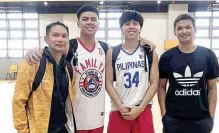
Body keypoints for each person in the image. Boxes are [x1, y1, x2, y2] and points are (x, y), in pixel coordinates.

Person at [25, 4, 156, 133]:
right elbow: (53, 48)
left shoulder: (105, 48)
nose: (89, 22)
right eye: (85, 19)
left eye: (93, 19)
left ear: (98, 23)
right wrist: (35, 50)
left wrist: (142, 40)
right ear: (78, 23)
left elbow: (127, 46)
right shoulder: (70, 46)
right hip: (75, 114)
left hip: (97, 116)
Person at [158, 14, 219, 133]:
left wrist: (211, 116)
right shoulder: (166, 57)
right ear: (175, 32)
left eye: (188, 27)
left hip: (201, 119)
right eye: (179, 28)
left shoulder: (208, 55)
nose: (184, 31)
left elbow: (212, 88)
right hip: (173, 119)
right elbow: (161, 87)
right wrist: (164, 114)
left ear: (195, 30)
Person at [12, 21, 76, 133]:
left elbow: (69, 102)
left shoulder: (69, 68)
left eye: (64, 36)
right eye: (55, 35)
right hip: (39, 129)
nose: (60, 39)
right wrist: (23, 130)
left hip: (63, 128)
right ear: (46, 39)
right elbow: (18, 101)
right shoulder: (32, 63)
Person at [105, 10, 159, 133]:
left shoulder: (150, 53)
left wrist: (140, 108)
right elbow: (108, 83)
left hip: (142, 109)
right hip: (119, 110)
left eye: (135, 23)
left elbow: (154, 83)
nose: (131, 26)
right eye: (127, 23)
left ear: (140, 28)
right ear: (121, 28)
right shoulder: (112, 52)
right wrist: (121, 107)